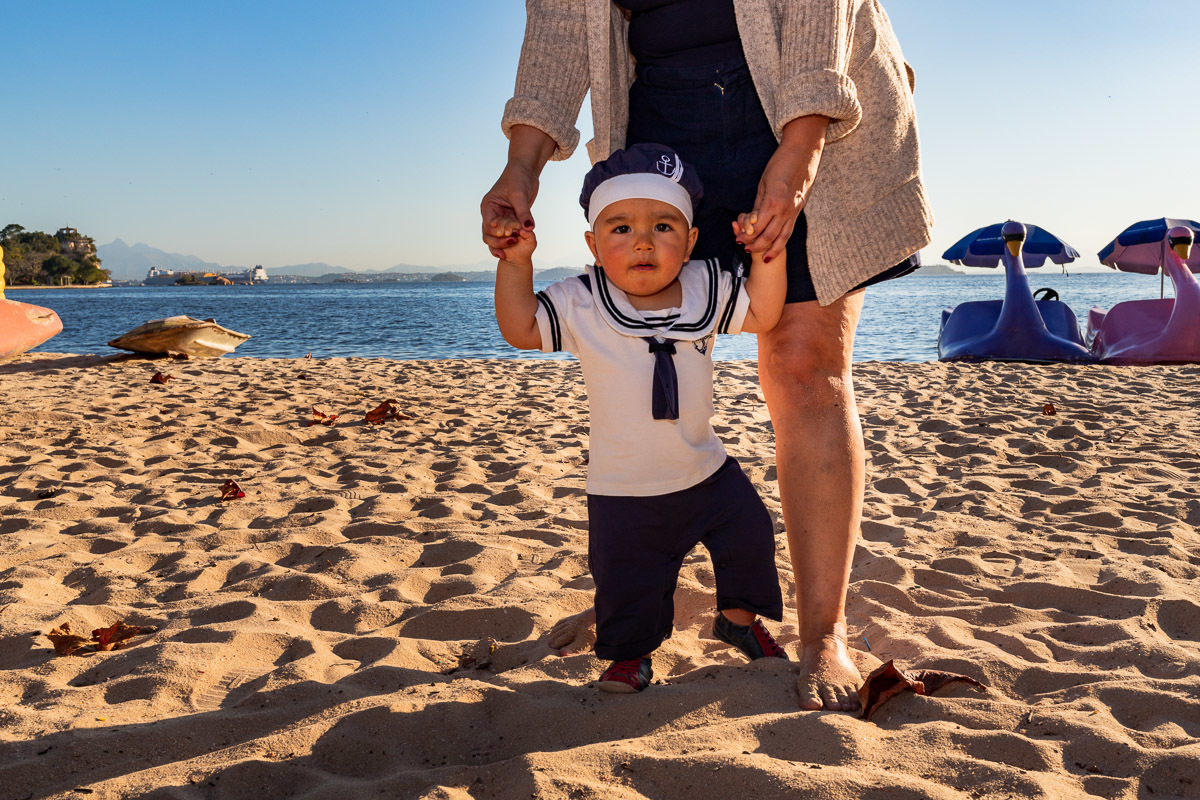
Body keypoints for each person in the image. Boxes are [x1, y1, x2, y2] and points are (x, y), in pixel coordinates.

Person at [481, 0, 933, 712]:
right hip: (665, 125)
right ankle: (637, 592)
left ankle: (824, 634)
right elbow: (562, 28)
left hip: (816, 104)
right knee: (643, 369)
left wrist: (799, 150)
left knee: (804, 366)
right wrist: (522, 168)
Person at [495, 144, 789, 692]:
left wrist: (768, 255)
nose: (644, 241)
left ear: (692, 241)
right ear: (593, 243)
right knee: (627, 582)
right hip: (624, 488)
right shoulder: (581, 300)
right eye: (621, 228)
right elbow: (520, 329)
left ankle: (738, 623)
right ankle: (631, 657)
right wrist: (516, 263)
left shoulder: (706, 287)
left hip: (707, 472)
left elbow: (765, 313)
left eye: (663, 226)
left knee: (751, 535)